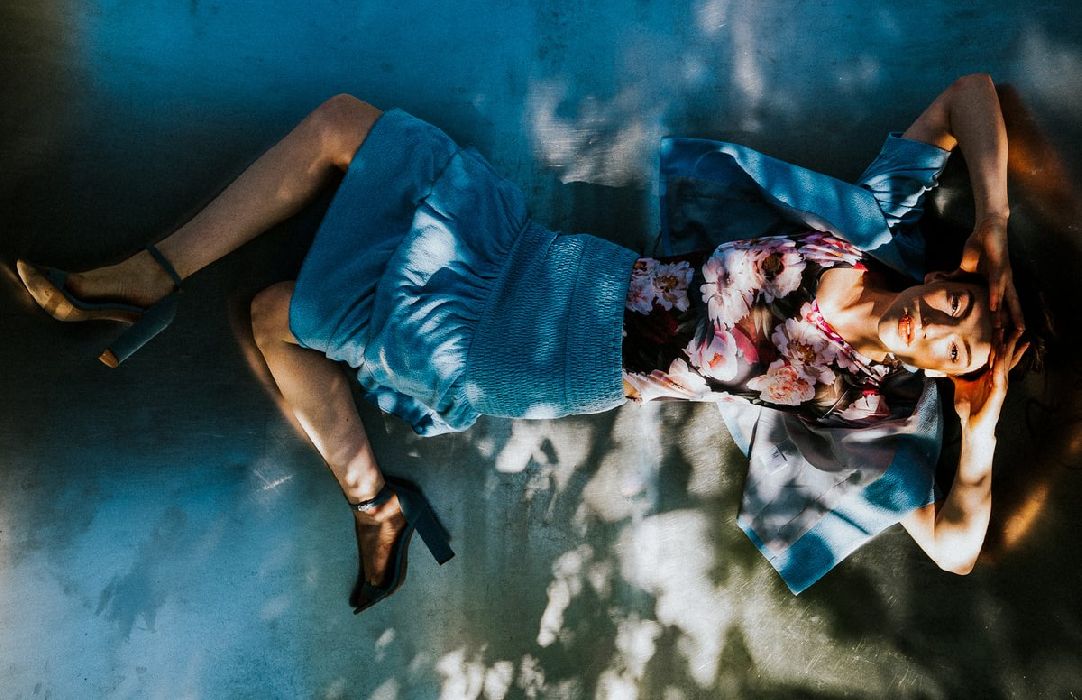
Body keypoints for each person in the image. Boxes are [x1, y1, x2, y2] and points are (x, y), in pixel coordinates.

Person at [15, 73, 1033, 610]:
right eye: (956, 304)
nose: (937, 325)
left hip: (539, 356)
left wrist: (977, 429)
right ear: (949, 278)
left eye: (955, 348)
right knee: (326, 170)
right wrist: (991, 225)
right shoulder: (868, 232)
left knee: (293, 308)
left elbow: (952, 549)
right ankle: (365, 493)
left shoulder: (866, 404)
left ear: (942, 375)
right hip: (540, 258)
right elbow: (970, 95)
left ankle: (154, 291)